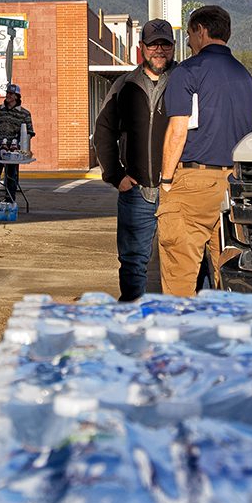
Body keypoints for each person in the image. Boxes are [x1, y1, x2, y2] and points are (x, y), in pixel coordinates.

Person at [157, 5, 252, 297]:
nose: (189, 43)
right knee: (228, 275)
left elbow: (178, 130)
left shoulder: (189, 71)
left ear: (201, 31)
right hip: (234, 185)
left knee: (179, 273)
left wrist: (166, 181)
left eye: (190, 35)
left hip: (193, 183)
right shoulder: (245, 77)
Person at [92, 18, 177, 300]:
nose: (159, 50)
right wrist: (116, 176)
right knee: (132, 263)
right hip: (137, 192)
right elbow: (103, 131)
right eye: (153, 44)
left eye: (165, 44)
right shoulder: (124, 85)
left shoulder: (184, 82)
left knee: (184, 261)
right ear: (141, 47)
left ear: (173, 47)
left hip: (177, 191)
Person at [0, 84, 35, 202]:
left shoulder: (24, 113)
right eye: (7, 93)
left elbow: (29, 132)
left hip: (14, 151)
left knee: (11, 176)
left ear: (17, 96)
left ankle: (10, 200)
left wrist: (19, 146)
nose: (8, 95)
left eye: (11, 94)